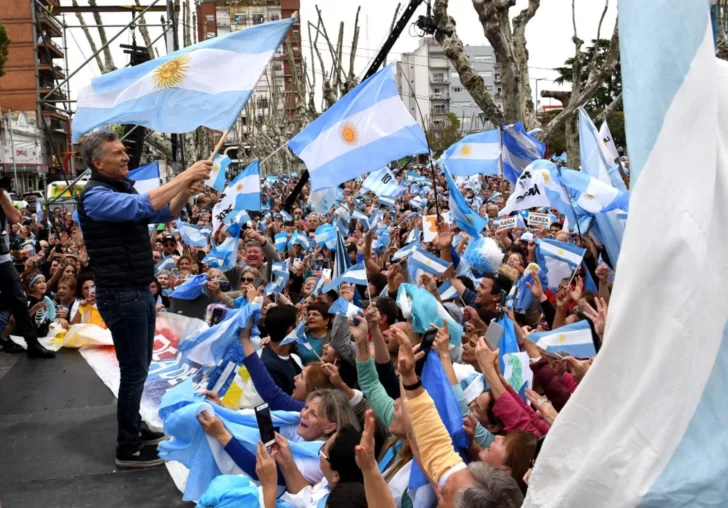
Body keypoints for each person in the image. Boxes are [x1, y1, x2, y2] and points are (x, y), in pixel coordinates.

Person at [76, 130, 211, 468]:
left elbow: (161, 214)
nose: (126, 157)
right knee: (134, 372)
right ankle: (128, 447)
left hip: (137, 291)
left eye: (125, 151)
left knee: (140, 367)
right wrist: (185, 175)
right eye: (118, 153)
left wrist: (183, 192)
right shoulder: (95, 197)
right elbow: (143, 205)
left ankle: (135, 426)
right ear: (97, 162)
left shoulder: (118, 188)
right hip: (122, 294)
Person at [0, 176, 55, 357]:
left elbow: (15, 217)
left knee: (18, 298)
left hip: (3, 257)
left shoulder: (3, 195)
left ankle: (32, 344)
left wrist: (0, 194)